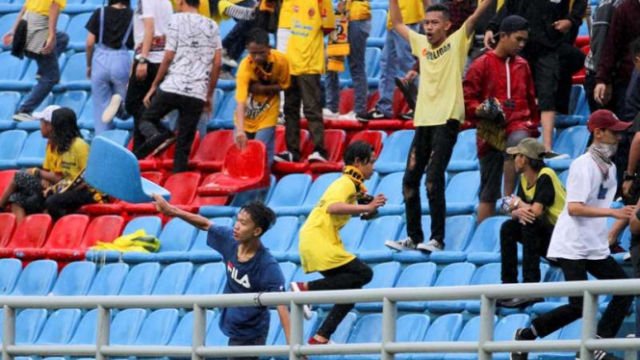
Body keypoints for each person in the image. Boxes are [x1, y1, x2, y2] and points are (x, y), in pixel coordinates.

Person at [510, 110, 635, 360]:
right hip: (572, 244)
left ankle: (595, 343)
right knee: (578, 305)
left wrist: (609, 233)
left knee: (625, 289)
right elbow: (574, 207)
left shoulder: (610, 167)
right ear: (598, 133)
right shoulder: (582, 164)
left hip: (593, 244)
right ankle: (528, 335)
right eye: (613, 132)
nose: (619, 138)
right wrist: (614, 213)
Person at [384, 0, 495, 253]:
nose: (429, 28)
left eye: (434, 23)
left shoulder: (456, 43)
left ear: (447, 25)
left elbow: (476, 15)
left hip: (446, 120)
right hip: (423, 120)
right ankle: (413, 237)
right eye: (426, 23)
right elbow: (399, 23)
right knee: (409, 180)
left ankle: (437, 239)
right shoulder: (421, 45)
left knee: (433, 180)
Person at [152, 195, 292, 359]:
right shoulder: (230, 240)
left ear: (257, 231)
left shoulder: (267, 266)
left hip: (250, 332)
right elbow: (205, 224)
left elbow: (282, 305)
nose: (236, 226)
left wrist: (294, 347)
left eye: (243, 223)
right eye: (237, 220)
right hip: (232, 322)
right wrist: (172, 210)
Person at [292, 141, 386, 345]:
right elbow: (334, 208)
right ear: (358, 162)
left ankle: (321, 336)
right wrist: (367, 206)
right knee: (363, 273)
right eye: (371, 162)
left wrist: (369, 208)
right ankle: (304, 288)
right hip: (319, 239)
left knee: (352, 288)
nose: (373, 167)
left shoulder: (354, 185)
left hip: (318, 238)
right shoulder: (346, 183)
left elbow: (357, 211)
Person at [464, 15, 539, 223]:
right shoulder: (481, 64)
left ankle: (508, 199)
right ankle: (482, 239)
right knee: (487, 193)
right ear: (503, 36)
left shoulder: (523, 65)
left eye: (525, 40)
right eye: (518, 39)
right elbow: (467, 99)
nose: (522, 45)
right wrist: (480, 110)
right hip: (489, 133)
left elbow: (531, 100)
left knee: (518, 142)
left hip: (517, 127)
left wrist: (533, 124)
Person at [484, 0, 588, 151]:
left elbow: (579, 4)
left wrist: (571, 21)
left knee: (547, 97)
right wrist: (491, 27)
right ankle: (508, 142)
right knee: (515, 95)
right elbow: (508, 7)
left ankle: (547, 148)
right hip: (522, 49)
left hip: (549, 47)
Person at [134, 0, 222, 173]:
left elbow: (168, 57)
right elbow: (217, 63)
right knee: (184, 146)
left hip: (173, 86)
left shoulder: (175, 20)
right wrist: (209, 95)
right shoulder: (212, 25)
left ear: (181, 2)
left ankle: (158, 136)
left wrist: (154, 85)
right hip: (197, 93)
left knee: (146, 119)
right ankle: (178, 186)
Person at [0, 106, 102, 222]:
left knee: (47, 198)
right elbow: (52, 173)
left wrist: (39, 173)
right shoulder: (59, 145)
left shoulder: (79, 145)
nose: (43, 126)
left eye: (46, 123)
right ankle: (23, 234)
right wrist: (49, 182)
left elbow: (88, 176)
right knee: (17, 199)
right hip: (62, 186)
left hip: (82, 190)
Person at [498, 138, 566, 308]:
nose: (514, 160)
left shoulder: (546, 175)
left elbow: (535, 211)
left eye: (517, 156)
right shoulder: (523, 179)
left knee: (530, 223)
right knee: (508, 228)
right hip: (547, 237)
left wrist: (518, 205)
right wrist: (516, 211)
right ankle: (509, 286)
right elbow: (519, 210)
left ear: (525, 158)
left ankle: (531, 288)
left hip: (563, 239)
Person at [272, 0, 335, 163]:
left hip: (309, 63)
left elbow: (328, 27)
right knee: (290, 108)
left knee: (311, 108)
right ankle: (292, 151)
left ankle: (320, 149)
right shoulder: (285, 3)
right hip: (289, 63)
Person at [2, 0, 69, 122]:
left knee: (63, 38)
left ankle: (42, 71)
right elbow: (53, 9)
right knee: (51, 77)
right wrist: (51, 35)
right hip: (38, 29)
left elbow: (24, 8)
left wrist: (13, 30)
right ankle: (24, 110)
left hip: (25, 27)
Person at [360, 0, 428, 121]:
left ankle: (421, 106)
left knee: (408, 64)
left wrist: (428, 14)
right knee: (387, 64)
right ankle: (384, 108)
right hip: (394, 20)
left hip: (408, 18)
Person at [233, 27, 290, 169]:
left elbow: (285, 85)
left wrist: (262, 89)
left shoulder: (281, 61)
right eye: (253, 53)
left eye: (261, 53)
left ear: (269, 48)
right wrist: (240, 130)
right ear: (247, 49)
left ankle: (262, 185)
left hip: (268, 110)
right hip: (247, 115)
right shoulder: (244, 68)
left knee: (261, 151)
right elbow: (240, 101)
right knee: (241, 153)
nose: (257, 57)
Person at [124, 0, 173, 151]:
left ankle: (160, 132)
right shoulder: (167, 3)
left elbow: (149, 28)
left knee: (132, 104)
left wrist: (143, 59)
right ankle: (140, 152)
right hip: (159, 59)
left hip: (149, 58)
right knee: (142, 108)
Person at [85, 0, 134, 134]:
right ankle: (120, 107)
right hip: (121, 58)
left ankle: (104, 139)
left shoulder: (99, 12)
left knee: (101, 109)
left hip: (100, 57)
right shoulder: (132, 15)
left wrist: (89, 65)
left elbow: (90, 43)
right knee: (129, 102)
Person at [323, 0, 371, 121]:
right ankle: (331, 108)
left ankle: (359, 110)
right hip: (339, 15)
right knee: (331, 62)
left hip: (357, 16)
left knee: (356, 65)